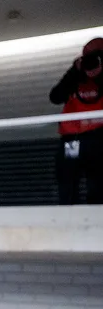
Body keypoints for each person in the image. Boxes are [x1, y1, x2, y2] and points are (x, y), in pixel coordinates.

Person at [50, 37, 103, 204]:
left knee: (97, 184)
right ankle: (67, 222)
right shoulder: (75, 75)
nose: (91, 62)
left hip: (99, 137)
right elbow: (55, 97)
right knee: (67, 183)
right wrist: (74, 72)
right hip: (73, 137)